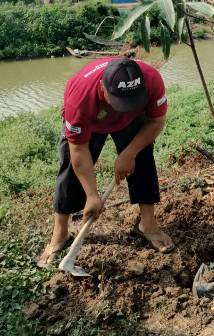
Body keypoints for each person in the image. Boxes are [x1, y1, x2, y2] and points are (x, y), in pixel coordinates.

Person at [38, 57, 174, 267]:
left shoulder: (151, 79)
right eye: (120, 102)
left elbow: (156, 121)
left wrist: (129, 153)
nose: (124, 108)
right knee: (70, 169)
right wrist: (92, 195)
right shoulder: (80, 99)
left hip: (132, 122)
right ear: (102, 88)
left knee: (143, 157)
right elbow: (78, 150)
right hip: (92, 121)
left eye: (132, 102)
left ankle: (148, 224)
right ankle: (60, 231)